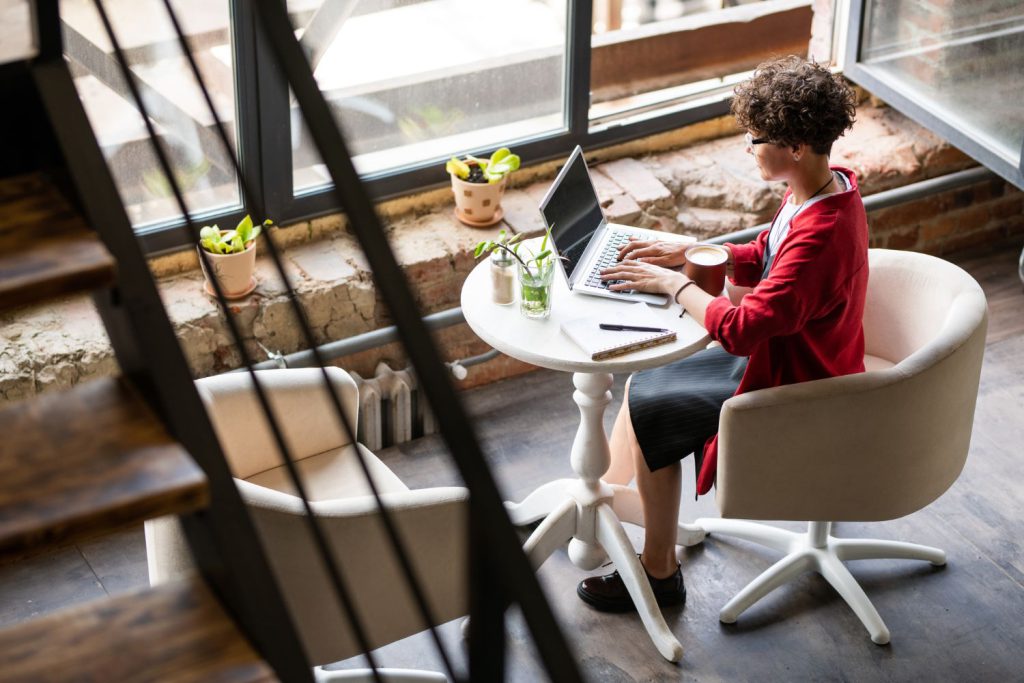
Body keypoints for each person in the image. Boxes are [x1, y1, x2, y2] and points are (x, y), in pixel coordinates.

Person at [576, 55, 867, 612]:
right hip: (797, 349)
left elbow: (740, 328)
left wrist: (672, 283)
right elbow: (766, 253)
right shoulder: (823, 189)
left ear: (796, 145)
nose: (750, 147)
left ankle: (659, 572)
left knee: (654, 401)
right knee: (649, 384)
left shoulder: (823, 231)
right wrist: (689, 253)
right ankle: (621, 509)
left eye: (755, 138)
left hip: (798, 377)